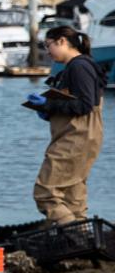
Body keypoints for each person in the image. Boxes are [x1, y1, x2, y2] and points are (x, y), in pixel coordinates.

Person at [26, 25, 105, 225]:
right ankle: (82, 246)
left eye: (48, 45)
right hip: (81, 137)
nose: (47, 51)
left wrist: (48, 103)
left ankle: (73, 236)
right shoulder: (79, 66)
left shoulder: (79, 66)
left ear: (62, 41)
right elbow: (76, 102)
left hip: (75, 138)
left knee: (46, 192)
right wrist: (48, 111)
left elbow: (85, 104)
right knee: (73, 196)